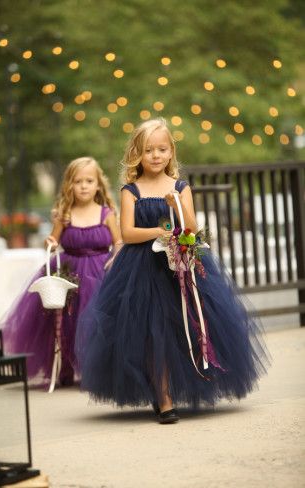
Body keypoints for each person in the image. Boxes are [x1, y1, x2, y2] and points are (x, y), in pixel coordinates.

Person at [75, 119, 268, 423]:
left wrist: (176, 205)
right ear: (137, 154)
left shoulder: (180, 187)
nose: (155, 155)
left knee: (183, 326)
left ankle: (179, 385)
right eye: (148, 150)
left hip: (177, 264)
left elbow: (190, 226)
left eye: (161, 149)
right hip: (141, 269)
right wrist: (160, 231)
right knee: (152, 330)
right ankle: (163, 397)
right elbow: (128, 232)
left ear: (170, 152)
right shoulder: (131, 190)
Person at [0, 156, 121, 387]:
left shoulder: (107, 213)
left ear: (98, 184)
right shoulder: (64, 213)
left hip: (100, 270)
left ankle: (97, 369)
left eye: (89, 180)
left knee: (97, 321)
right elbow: (53, 241)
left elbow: (118, 242)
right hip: (69, 270)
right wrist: (50, 243)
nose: (84, 186)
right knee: (65, 321)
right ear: (69, 185)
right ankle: (64, 367)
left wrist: (116, 256)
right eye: (78, 181)